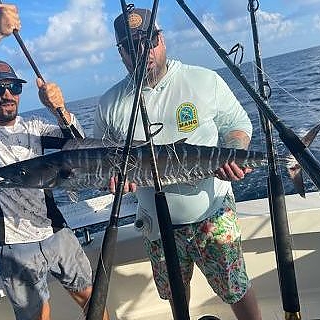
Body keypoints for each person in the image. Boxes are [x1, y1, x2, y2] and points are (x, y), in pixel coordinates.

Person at [0, 4, 109, 320]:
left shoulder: (34, 127)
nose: (7, 95)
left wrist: (61, 111)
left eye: (14, 87)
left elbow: (80, 147)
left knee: (94, 299)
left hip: (56, 230)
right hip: (14, 246)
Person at [93, 7, 262, 320]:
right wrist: (114, 180)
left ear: (162, 39)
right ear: (121, 54)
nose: (143, 51)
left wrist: (234, 151)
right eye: (131, 46)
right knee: (176, 296)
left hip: (213, 212)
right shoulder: (109, 104)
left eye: (149, 40)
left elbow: (237, 124)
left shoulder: (202, 80)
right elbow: (105, 160)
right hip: (157, 225)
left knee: (236, 287)